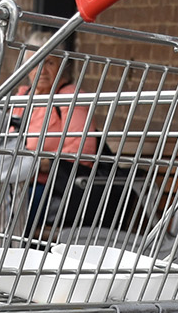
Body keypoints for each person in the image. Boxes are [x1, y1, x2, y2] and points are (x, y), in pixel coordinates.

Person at [13, 36, 132, 236]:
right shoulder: (22, 98)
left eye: (49, 62)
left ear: (62, 66)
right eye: (36, 62)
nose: (42, 68)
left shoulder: (70, 97)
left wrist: (37, 162)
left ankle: (5, 259)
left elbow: (83, 151)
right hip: (17, 183)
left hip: (56, 190)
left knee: (10, 209)